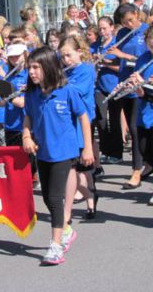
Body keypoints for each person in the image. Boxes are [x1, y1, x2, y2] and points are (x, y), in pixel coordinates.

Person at [23, 46, 94, 265]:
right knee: (46, 197)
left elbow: (83, 117)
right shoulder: (32, 94)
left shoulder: (67, 91)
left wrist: (88, 148)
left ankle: (55, 246)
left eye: (36, 67)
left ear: (49, 67)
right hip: (43, 151)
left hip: (65, 151)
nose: (32, 72)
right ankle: (67, 230)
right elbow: (28, 117)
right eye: (29, 68)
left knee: (54, 198)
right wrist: (26, 136)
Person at [108, 3, 149, 189]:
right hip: (125, 83)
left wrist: (121, 54)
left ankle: (137, 170)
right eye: (125, 23)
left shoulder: (146, 32)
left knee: (135, 128)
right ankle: (145, 164)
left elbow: (142, 60)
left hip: (141, 85)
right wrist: (107, 60)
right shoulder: (121, 33)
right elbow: (119, 60)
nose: (129, 25)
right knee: (136, 131)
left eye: (130, 20)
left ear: (136, 13)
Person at [59, 35, 98, 222]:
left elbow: (75, 91)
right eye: (63, 57)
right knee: (72, 166)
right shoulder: (65, 71)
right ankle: (85, 197)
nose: (66, 60)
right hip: (67, 120)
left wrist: (55, 84)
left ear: (79, 53)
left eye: (69, 55)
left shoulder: (87, 70)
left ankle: (90, 197)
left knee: (82, 165)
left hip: (82, 120)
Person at [91, 17, 122, 168]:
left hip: (115, 86)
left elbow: (120, 67)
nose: (102, 32)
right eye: (100, 29)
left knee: (115, 120)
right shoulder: (96, 45)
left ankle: (117, 153)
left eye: (105, 28)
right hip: (99, 86)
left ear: (111, 27)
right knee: (101, 119)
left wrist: (105, 63)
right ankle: (106, 150)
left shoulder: (117, 44)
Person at [129, 25, 153, 204]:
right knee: (145, 150)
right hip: (144, 111)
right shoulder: (143, 59)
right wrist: (136, 85)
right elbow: (141, 93)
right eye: (150, 46)